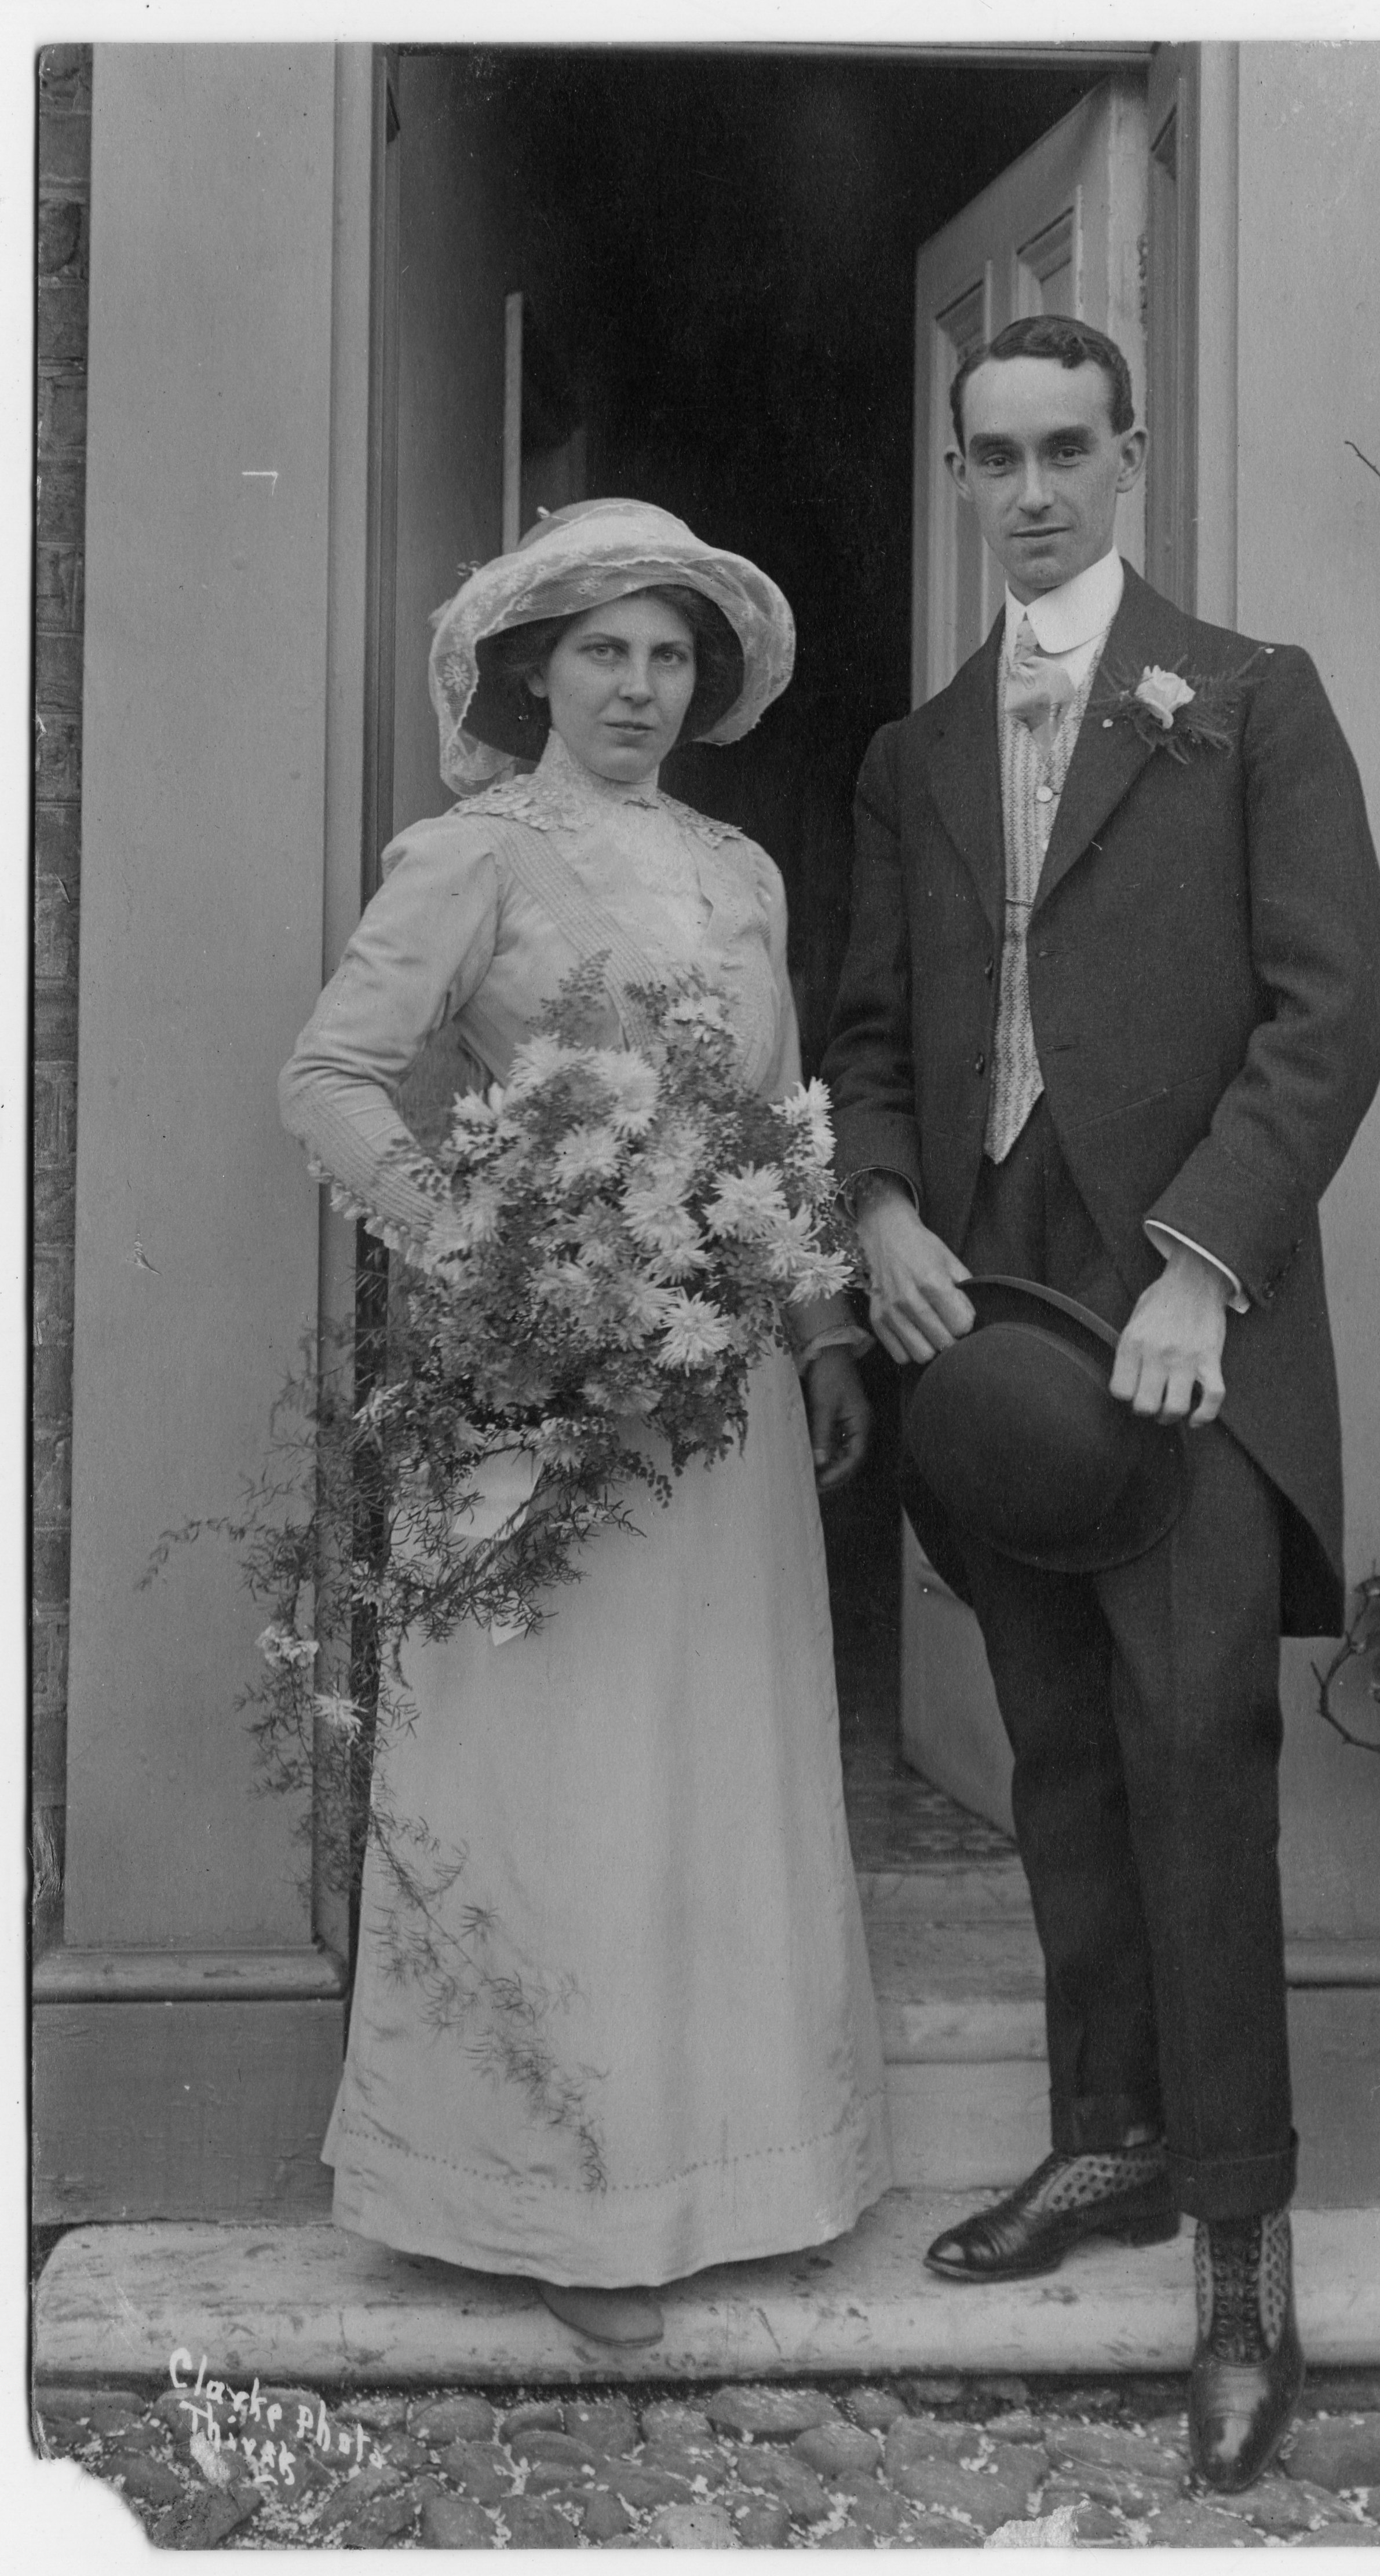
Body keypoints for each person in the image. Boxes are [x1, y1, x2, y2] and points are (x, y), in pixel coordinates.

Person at [821, 315, 1380, 2489]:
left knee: (1193, 1753)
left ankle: (1243, 2251)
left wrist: (1203, 1263)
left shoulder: (1249, 698)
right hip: (982, 1317)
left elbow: (1331, 1011)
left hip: (1183, 1324)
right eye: (999, 457)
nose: (1036, 490)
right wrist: (882, 1205)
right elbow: (871, 1031)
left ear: (1129, 456)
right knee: (1055, 1749)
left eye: (1070, 449)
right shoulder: (914, 755)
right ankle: (1111, 2141)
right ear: (962, 475)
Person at [280, 498, 891, 2350]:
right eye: (605, 653)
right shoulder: (472, 855)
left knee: (708, 1762)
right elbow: (331, 1077)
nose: (639, 686)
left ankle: (736, 2173)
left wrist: (820, 1328)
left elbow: (779, 1118)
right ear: (535, 673)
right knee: (565, 1776)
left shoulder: (739, 870)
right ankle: (556, 2207)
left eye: (669, 656)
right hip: (542, 1386)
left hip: (720, 1392)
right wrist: (498, 1254)